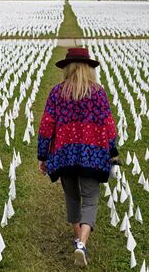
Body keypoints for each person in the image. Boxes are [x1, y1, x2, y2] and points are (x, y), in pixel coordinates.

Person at [37, 48, 119, 268]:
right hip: (92, 155)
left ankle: (78, 240)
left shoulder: (57, 93)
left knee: (72, 197)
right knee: (90, 199)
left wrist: (43, 155)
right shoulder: (98, 93)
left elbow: (46, 126)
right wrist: (112, 151)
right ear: (88, 69)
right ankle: (81, 243)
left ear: (68, 68)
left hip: (64, 155)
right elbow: (109, 125)